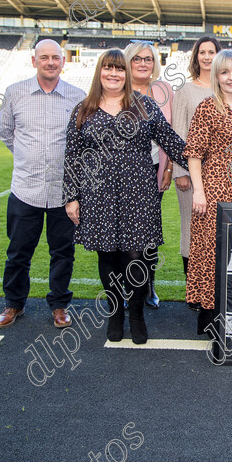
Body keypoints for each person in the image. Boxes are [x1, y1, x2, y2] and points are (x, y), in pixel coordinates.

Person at [63, 49, 187, 343]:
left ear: (126, 74)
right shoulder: (84, 109)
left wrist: (206, 155)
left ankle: (136, 314)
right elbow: (72, 157)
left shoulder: (143, 106)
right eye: (108, 68)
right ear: (100, 72)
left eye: (119, 69)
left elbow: (171, 141)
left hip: (139, 192)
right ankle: (115, 313)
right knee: (108, 255)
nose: (114, 74)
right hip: (98, 194)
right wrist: (72, 197)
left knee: (138, 255)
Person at [0, 39, 86, 330]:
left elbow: (83, 142)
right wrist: (29, 158)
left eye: (55, 57)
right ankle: (14, 304)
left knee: (62, 252)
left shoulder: (77, 96)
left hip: (64, 191)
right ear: (34, 61)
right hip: (26, 188)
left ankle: (59, 305)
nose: (50, 62)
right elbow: (6, 133)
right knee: (19, 251)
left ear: (63, 61)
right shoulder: (15, 93)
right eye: (44, 57)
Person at [185, 50, 232, 335]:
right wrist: (199, 192)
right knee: (212, 254)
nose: (231, 77)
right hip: (213, 192)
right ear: (215, 75)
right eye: (225, 72)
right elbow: (193, 154)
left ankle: (226, 313)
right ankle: (211, 318)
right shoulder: (207, 106)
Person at [125, 40, 176, 309]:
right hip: (119, 174)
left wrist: (168, 168)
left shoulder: (163, 89)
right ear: (128, 61)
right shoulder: (116, 88)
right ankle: (126, 288)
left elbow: (173, 132)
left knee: (147, 233)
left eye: (148, 59)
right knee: (121, 233)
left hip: (154, 169)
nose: (143, 63)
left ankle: (148, 285)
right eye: (137, 59)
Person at [172, 36, 221, 310]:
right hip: (192, 176)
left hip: (222, 178)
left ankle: (212, 289)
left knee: (214, 234)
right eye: (202, 52)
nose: (206, 57)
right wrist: (181, 171)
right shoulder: (186, 91)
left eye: (211, 52)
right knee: (191, 232)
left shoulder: (228, 88)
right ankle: (194, 293)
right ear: (196, 57)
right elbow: (179, 132)